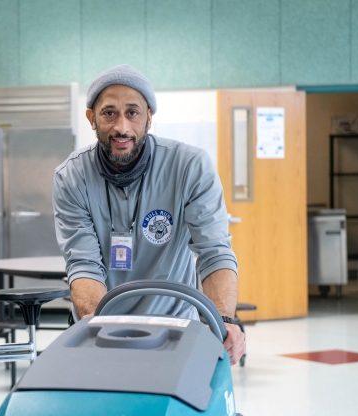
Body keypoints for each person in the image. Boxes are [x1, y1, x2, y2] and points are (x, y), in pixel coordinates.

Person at [52, 64, 246, 364]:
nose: (122, 128)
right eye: (109, 113)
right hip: (103, 328)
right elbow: (84, 264)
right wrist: (96, 327)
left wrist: (224, 319)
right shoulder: (71, 177)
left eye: (132, 112)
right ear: (91, 118)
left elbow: (214, 251)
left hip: (175, 327)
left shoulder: (189, 166)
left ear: (149, 118)